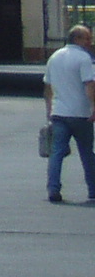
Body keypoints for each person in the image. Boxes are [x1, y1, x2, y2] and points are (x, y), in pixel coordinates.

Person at [43, 24, 95, 203]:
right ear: (77, 39)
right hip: (81, 114)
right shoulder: (84, 58)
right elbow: (89, 85)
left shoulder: (54, 57)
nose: (90, 42)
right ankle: (93, 189)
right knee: (87, 153)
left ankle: (53, 189)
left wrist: (49, 111)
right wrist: (93, 107)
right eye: (87, 38)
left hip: (59, 113)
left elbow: (48, 87)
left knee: (56, 153)